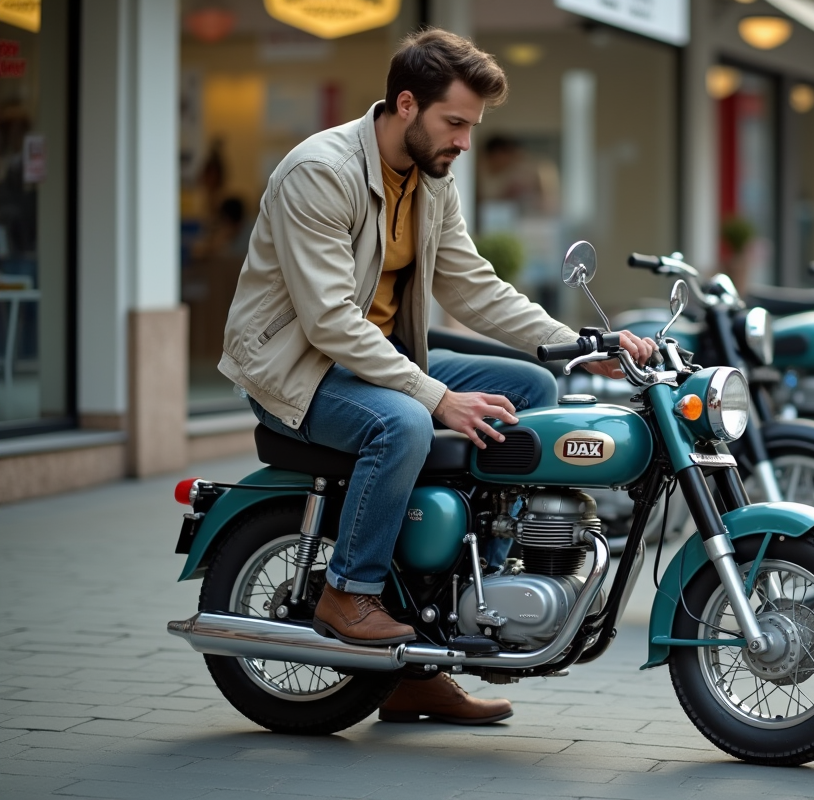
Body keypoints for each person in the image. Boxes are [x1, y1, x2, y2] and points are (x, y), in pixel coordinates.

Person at [219, 29, 653, 726]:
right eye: (455, 123)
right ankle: (350, 591)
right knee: (404, 422)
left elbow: (473, 286)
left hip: (385, 360)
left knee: (532, 391)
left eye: (472, 127)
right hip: (299, 372)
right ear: (405, 104)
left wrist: (577, 345)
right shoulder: (319, 172)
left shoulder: (430, 180)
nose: (465, 141)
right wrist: (438, 396)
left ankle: (460, 618)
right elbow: (329, 321)